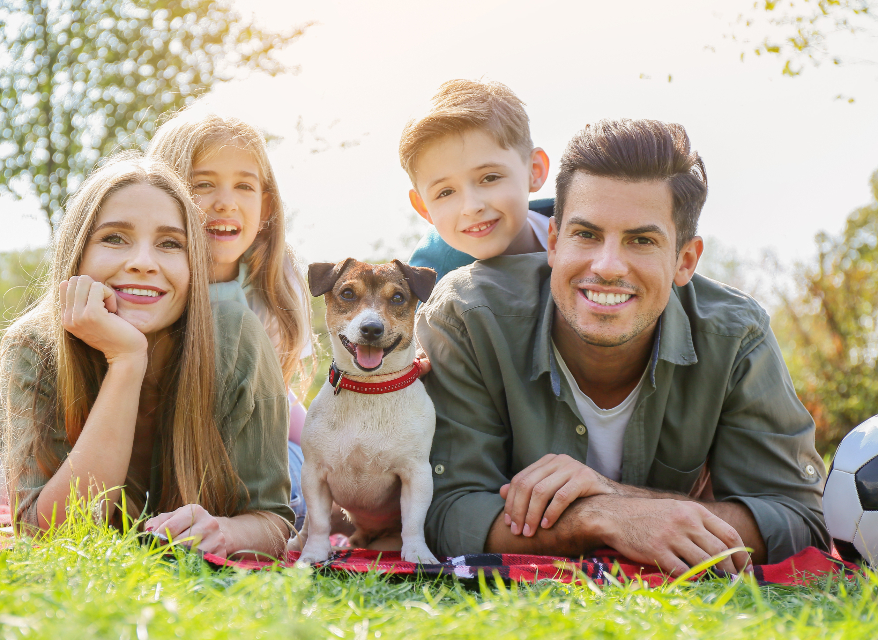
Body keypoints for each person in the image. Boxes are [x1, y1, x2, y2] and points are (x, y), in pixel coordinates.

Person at [416, 119, 829, 574]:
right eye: (586, 235)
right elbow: (445, 512)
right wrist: (600, 517)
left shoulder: (735, 336)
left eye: (642, 241)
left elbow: (796, 520)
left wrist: (617, 496)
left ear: (685, 260)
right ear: (553, 242)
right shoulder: (467, 316)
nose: (608, 266)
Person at [0, 154, 294, 558]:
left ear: (193, 266)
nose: (143, 263)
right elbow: (49, 535)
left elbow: (274, 522)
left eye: (170, 244)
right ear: (77, 254)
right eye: (114, 238)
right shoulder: (35, 345)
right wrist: (126, 361)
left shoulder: (237, 337)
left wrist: (226, 533)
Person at [147, 108, 315, 532]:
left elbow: (276, 400)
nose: (225, 201)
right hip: (167, 447)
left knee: (304, 476)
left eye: (244, 185)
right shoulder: (148, 283)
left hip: (256, 451)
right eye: (202, 185)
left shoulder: (275, 283)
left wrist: (324, 445)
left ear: (265, 205)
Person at [401, 79, 551, 283]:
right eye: (445, 192)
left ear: (534, 170)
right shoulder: (429, 286)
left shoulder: (592, 226)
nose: (471, 207)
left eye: (489, 178)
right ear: (423, 206)